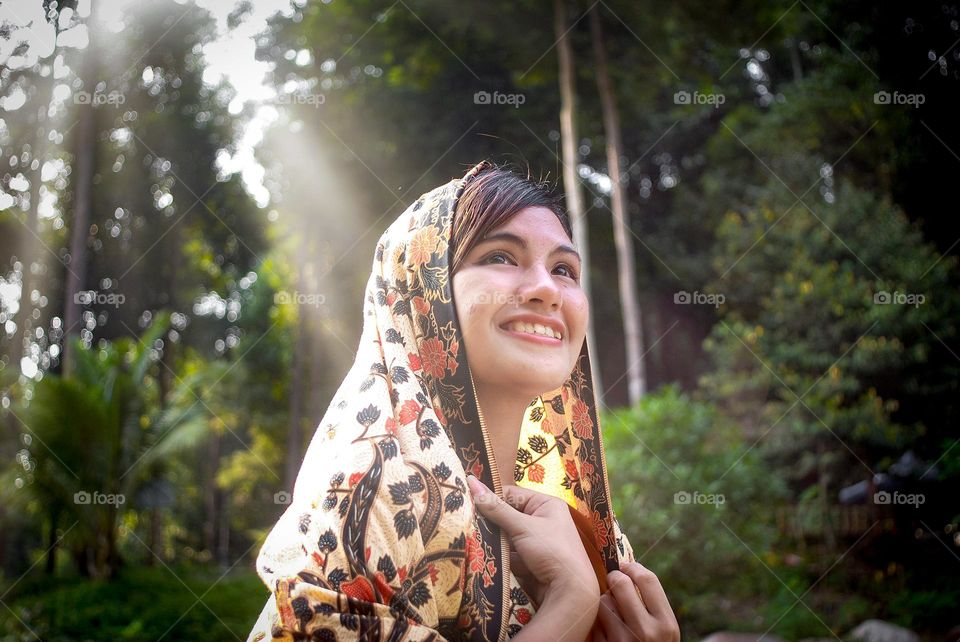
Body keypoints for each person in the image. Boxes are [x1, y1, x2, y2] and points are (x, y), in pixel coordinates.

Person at [246, 161, 679, 641]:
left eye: (563, 269)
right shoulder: (377, 489)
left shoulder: (579, 528)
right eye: (500, 257)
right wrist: (571, 602)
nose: (546, 290)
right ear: (420, 291)